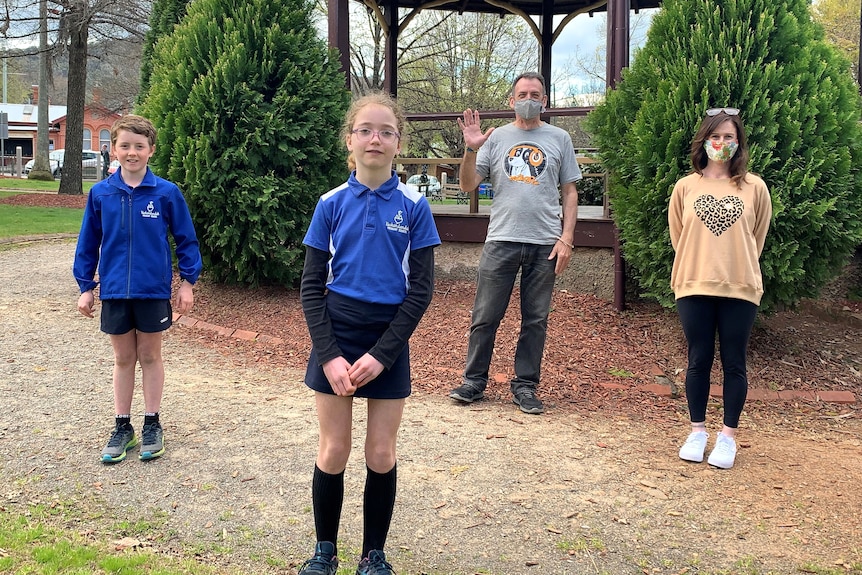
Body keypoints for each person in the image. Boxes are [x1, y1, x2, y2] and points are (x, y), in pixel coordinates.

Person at [298, 93, 440, 575]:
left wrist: (382, 355)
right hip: (335, 332)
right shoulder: (329, 204)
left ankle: (373, 553)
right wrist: (330, 355)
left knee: (380, 452)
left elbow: (420, 292)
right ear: (349, 141)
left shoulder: (416, 206)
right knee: (333, 449)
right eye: (365, 130)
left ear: (398, 143)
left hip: (389, 340)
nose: (375, 138)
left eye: (385, 131)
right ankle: (324, 551)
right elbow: (311, 288)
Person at [449, 71, 582, 415]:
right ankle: (474, 381)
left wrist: (567, 237)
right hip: (501, 239)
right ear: (511, 100)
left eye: (535, 94)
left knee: (535, 319)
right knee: (484, 316)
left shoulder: (559, 138)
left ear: (545, 101)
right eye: (522, 93)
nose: (528, 99)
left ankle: (525, 386)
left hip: (545, 243)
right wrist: (469, 148)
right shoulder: (494, 138)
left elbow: (570, 191)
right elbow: (467, 186)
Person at [73, 114, 202, 464]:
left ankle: (152, 423)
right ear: (113, 149)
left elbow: (186, 240)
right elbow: (88, 242)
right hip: (114, 290)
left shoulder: (166, 193)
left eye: (139, 146)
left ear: (151, 150)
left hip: (152, 291)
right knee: (123, 358)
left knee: (149, 355)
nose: (132, 152)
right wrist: (86, 286)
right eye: (125, 145)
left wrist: (187, 282)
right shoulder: (101, 194)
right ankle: (122, 426)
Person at [669, 107, 772, 469]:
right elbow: (679, 236)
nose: (721, 143)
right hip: (693, 283)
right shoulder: (685, 187)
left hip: (740, 286)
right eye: (716, 136)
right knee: (698, 360)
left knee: (734, 362)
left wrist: (735, 265)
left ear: (739, 142)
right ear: (704, 140)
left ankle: (727, 437)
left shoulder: (755, 187)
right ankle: (697, 431)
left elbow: (756, 237)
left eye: (729, 137)